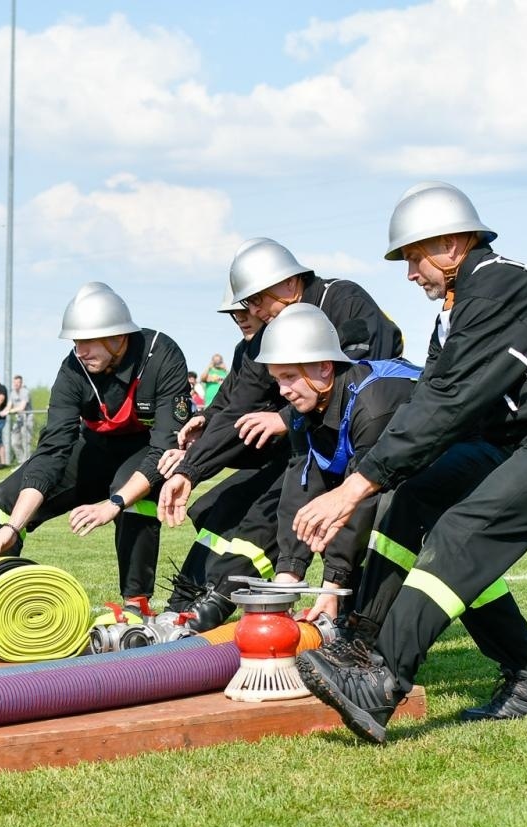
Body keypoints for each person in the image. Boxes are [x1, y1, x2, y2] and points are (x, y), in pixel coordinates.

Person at [293, 181, 527, 743]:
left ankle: (383, 679)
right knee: (414, 494)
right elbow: (432, 400)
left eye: (413, 257)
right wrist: (379, 478)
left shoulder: (498, 285)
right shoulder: (460, 308)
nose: (410, 274)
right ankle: (507, 677)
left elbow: (447, 403)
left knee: (463, 529)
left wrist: (352, 486)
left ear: (452, 245)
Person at [158, 239, 404, 629]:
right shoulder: (270, 334)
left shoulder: (344, 301)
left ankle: (358, 620)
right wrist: (190, 468)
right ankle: (197, 602)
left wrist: (285, 418)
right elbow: (239, 406)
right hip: (312, 442)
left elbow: (360, 379)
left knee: (375, 528)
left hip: (376, 440)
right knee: (236, 506)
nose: (250, 312)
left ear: (290, 286)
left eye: (257, 301)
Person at [0, 283, 189, 600]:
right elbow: (51, 451)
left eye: (88, 341)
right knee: (6, 496)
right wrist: (13, 527)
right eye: (76, 341)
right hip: (94, 451)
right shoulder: (73, 369)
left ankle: (136, 605)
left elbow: (166, 448)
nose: (80, 350)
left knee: (132, 497)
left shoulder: (162, 356)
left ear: (118, 337)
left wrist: (114, 504)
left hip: (145, 452)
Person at [261, 304, 419, 621]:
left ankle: (368, 629)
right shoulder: (301, 410)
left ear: (324, 367)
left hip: (461, 465)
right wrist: (288, 573)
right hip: (390, 481)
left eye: (290, 376)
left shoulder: (374, 407)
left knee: (391, 521)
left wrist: (332, 584)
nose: (284, 391)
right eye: (277, 379)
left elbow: (362, 496)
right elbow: (302, 483)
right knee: (324, 515)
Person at [7, 374, 32, 464]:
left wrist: (9, 411)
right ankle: (21, 463)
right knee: (14, 442)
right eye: (15, 382)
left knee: (26, 442)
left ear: (21, 383)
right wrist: (5, 411)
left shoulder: (25, 391)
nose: (17, 384)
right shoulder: (12, 393)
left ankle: (27, 464)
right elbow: (9, 405)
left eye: (19, 382)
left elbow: (22, 407)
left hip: (27, 419)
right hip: (18, 420)